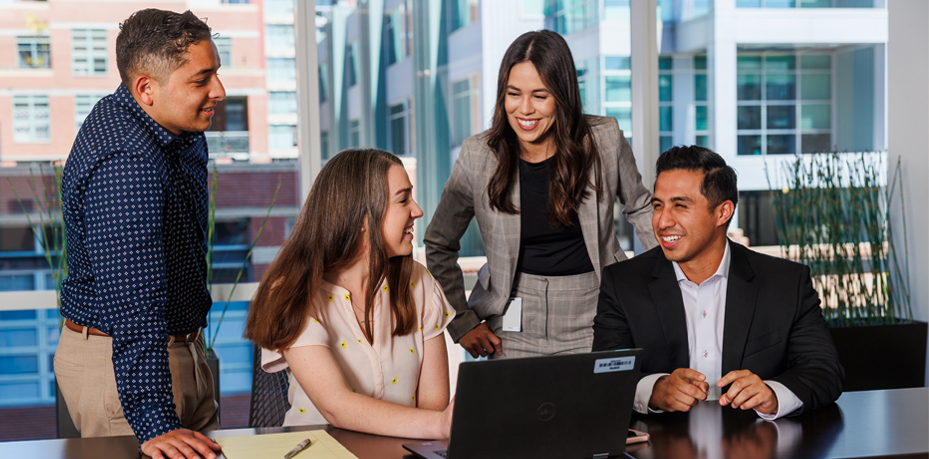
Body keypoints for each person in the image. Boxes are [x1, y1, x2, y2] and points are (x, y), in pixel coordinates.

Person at [54, 9, 225, 459]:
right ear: (145, 89)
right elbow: (135, 300)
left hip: (181, 351)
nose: (219, 92)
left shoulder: (177, 129)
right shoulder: (125, 162)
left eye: (216, 74)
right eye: (201, 80)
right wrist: (153, 418)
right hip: (126, 370)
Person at [425, 30, 656, 359]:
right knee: (515, 411)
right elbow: (438, 244)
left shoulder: (604, 139)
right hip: (511, 318)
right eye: (514, 94)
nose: (525, 109)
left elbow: (642, 208)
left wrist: (667, 285)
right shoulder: (478, 155)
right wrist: (461, 320)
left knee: (599, 409)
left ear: (562, 96)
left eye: (540, 95)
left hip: (598, 310)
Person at [592, 145, 843, 419]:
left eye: (680, 205)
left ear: (723, 213)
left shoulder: (785, 283)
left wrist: (772, 394)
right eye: (658, 206)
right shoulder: (623, 283)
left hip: (755, 446)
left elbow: (823, 371)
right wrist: (654, 390)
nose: (662, 221)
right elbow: (605, 375)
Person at [244, 149, 455, 440]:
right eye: (403, 199)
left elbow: (433, 407)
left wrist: (438, 425)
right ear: (361, 218)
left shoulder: (419, 283)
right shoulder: (294, 292)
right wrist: (438, 424)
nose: (417, 210)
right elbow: (336, 406)